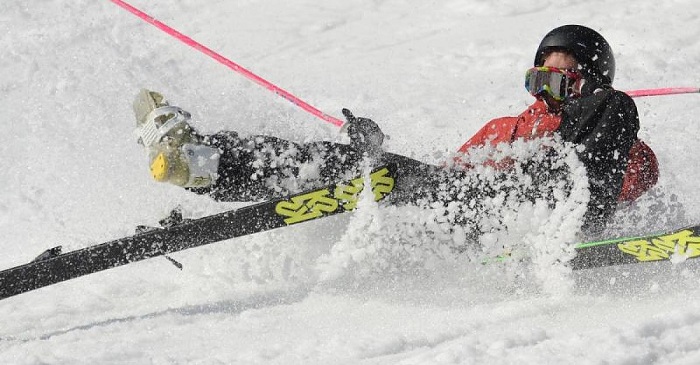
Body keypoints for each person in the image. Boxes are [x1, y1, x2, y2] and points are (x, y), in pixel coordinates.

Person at [132, 24, 657, 235]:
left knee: (380, 174)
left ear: (592, 83)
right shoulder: (504, 128)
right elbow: (447, 178)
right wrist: (375, 152)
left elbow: (611, 185)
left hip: (523, 217)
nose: (545, 93)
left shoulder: (617, 126)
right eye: (537, 78)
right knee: (349, 166)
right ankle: (202, 163)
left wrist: (590, 119)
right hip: (463, 208)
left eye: (561, 83)